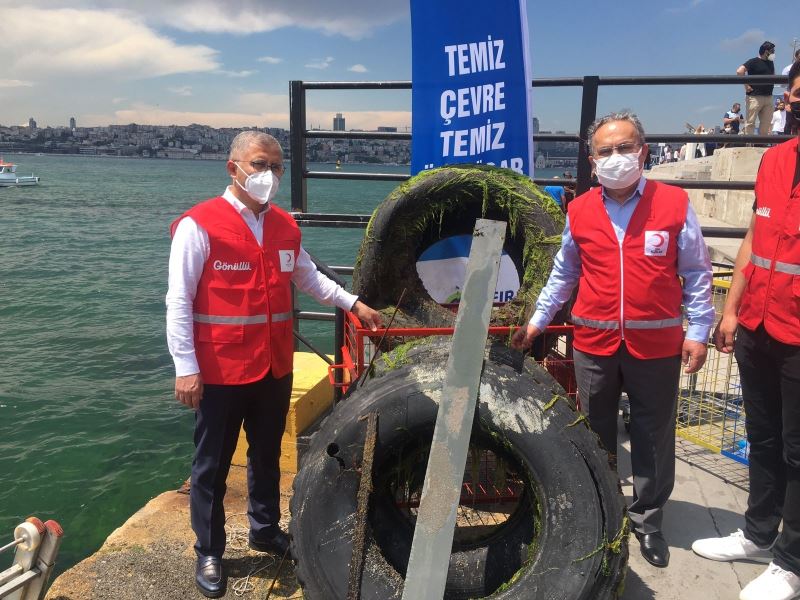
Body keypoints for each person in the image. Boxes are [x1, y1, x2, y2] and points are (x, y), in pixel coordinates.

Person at [166, 131, 382, 598]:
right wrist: (186, 366)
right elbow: (178, 301)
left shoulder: (284, 226)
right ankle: (210, 550)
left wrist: (355, 304)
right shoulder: (199, 225)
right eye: (260, 165)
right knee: (211, 465)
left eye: (277, 167)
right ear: (234, 169)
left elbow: (309, 278)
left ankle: (264, 530)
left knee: (266, 456)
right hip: (220, 371)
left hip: (272, 368)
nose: (270, 176)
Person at [511, 111, 714, 570]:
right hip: (594, 345)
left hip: (657, 348)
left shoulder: (673, 204)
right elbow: (564, 274)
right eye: (606, 151)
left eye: (625, 148)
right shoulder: (580, 209)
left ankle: (648, 519)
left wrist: (699, 332)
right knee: (594, 430)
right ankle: (602, 510)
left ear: (643, 151)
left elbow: (697, 273)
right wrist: (537, 322)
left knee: (653, 435)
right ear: (592, 159)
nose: (616, 158)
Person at [691, 61, 800, 600]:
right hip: (758, 320)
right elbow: (755, 238)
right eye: (795, 95)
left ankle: (792, 562)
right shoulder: (776, 161)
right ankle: (759, 535)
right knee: (762, 436)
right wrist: (730, 311)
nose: (795, 103)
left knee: (799, 451)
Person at [737, 41, 776, 135]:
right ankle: (749, 146)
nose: (774, 53)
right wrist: (746, 85)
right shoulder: (753, 61)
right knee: (750, 122)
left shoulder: (771, 63)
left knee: (766, 123)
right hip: (754, 97)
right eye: (772, 51)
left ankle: (762, 145)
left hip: (768, 96)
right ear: (766, 51)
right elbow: (739, 71)